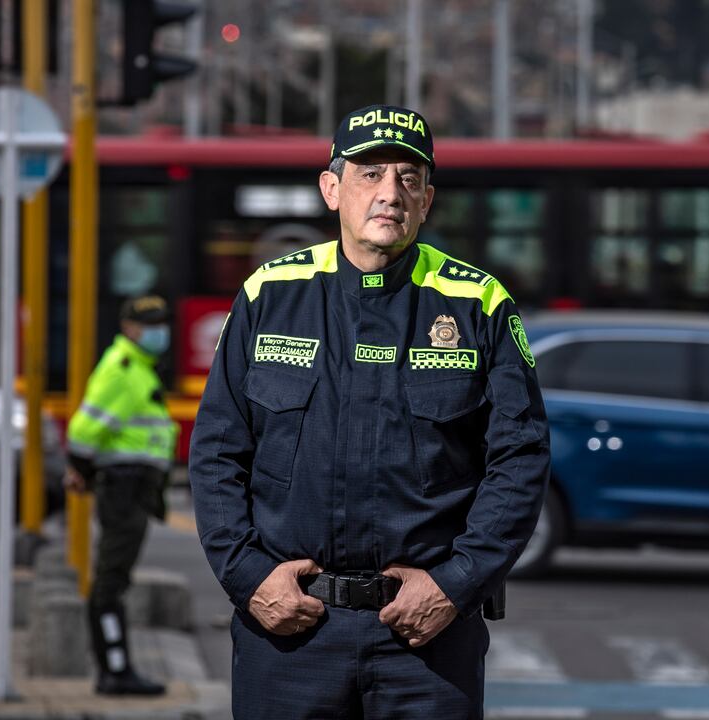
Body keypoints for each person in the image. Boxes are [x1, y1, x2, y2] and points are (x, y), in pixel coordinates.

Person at [189, 104, 550, 719]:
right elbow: (217, 452)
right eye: (370, 173)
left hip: (426, 639)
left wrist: (456, 584)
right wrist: (249, 578)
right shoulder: (270, 295)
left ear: (428, 198)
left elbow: (519, 460)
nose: (390, 193)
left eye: (409, 178)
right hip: (290, 632)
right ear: (331, 188)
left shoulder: (477, 303)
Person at [64, 295, 177, 695]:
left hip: (132, 489)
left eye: (162, 322)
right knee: (110, 582)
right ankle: (114, 670)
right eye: (149, 324)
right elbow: (83, 430)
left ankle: (117, 668)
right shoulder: (122, 368)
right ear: (129, 328)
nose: (158, 331)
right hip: (123, 489)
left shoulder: (140, 369)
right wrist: (81, 468)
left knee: (114, 579)